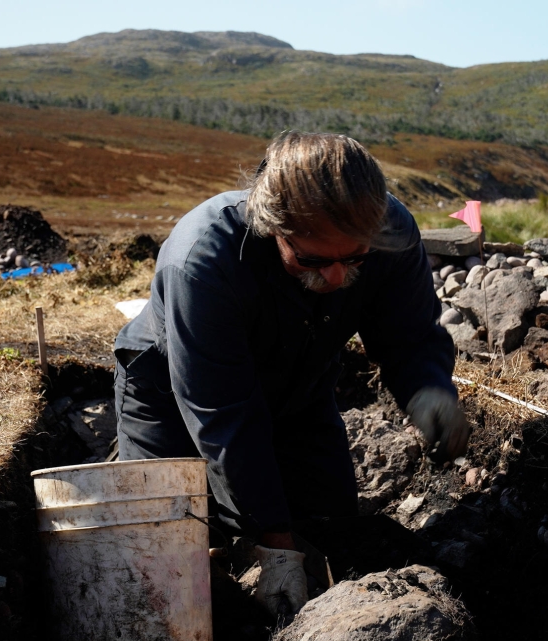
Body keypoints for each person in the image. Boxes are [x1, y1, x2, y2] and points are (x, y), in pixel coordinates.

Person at [113, 131, 471, 616]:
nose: (337, 278)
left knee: (332, 532)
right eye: (312, 260)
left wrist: (428, 387)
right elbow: (222, 413)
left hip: (299, 390)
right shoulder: (204, 262)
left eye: (355, 258)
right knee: (171, 555)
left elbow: (408, 334)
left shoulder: (391, 232)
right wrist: (273, 542)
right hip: (172, 398)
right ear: (271, 227)